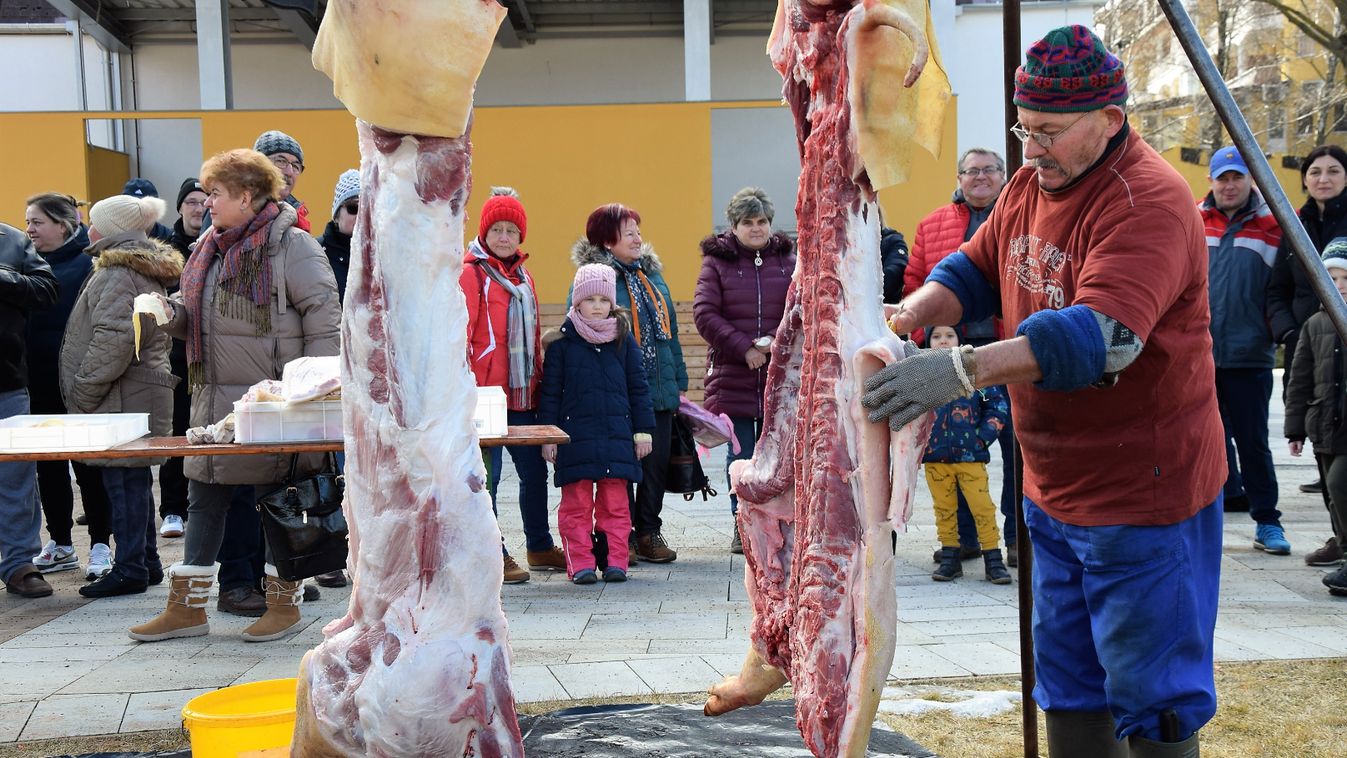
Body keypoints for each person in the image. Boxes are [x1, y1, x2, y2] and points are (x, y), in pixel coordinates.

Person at [865, 26, 1223, 755]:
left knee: (1153, 696)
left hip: (1141, 493)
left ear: (1109, 121)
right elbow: (973, 268)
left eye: (1049, 133)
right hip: (1053, 487)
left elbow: (1102, 339)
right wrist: (909, 315)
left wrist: (960, 371)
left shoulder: (1147, 200)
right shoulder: (1032, 182)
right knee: (1067, 680)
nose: (1031, 150)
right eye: (1023, 130)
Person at [128, 148, 340, 643]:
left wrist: (311, 393)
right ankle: (186, 609)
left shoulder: (295, 247)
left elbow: (326, 323)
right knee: (204, 495)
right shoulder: (211, 247)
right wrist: (167, 311)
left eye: (216, 193)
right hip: (215, 400)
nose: (206, 203)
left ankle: (283, 604)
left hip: (276, 402)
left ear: (246, 196)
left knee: (279, 500)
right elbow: (199, 316)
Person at [59, 194, 182, 597]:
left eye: (93, 222)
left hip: (122, 391)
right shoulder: (131, 267)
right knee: (132, 479)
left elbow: (114, 338)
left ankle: (131, 567)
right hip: (135, 390)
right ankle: (144, 562)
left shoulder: (117, 272)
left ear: (110, 230)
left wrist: (84, 388)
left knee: (123, 480)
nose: (87, 229)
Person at [901, 148, 1018, 567]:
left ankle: (1016, 538)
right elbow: (914, 283)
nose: (980, 177)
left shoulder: (1022, 217)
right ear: (959, 177)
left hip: (1009, 349)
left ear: (1004, 176)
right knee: (954, 449)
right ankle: (966, 540)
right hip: (949, 356)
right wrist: (920, 339)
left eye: (989, 170)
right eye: (972, 171)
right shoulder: (932, 224)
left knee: (1016, 445)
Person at [572, 203, 688, 564]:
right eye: (629, 232)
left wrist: (679, 378)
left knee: (655, 465)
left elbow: (670, 333)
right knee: (622, 468)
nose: (638, 238)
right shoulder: (596, 281)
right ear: (607, 240)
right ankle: (619, 539)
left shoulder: (652, 278)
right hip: (617, 392)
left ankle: (648, 531)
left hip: (658, 386)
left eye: (638, 230)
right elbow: (581, 330)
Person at [461, 187, 563, 584]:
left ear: (521, 237)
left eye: (511, 231)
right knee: (488, 477)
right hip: (484, 395)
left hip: (521, 393)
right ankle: (494, 551)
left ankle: (538, 546)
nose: (504, 238)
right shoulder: (470, 273)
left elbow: (533, 332)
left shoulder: (524, 277)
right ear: (485, 233)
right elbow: (464, 332)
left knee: (534, 472)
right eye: (497, 230)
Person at [693, 187, 795, 554]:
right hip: (732, 374)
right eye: (748, 222)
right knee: (742, 457)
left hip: (779, 376)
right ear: (734, 226)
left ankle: (777, 522)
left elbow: (799, 309)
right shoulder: (716, 262)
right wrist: (745, 348)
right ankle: (743, 525)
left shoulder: (788, 260)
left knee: (780, 454)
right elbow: (705, 314)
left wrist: (774, 344)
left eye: (762, 221)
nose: (756, 229)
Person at [539, 264, 655, 584]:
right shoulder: (562, 345)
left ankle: (616, 561)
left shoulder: (623, 341)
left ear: (612, 304)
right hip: (574, 440)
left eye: (604, 300)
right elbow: (549, 394)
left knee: (616, 506)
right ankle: (581, 563)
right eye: (590, 299)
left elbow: (638, 387)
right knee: (575, 506)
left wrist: (642, 432)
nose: (598, 306)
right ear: (577, 303)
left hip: (617, 438)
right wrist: (549, 436)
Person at [1200, 146, 1289, 556]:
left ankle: (1268, 521)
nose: (1230, 185)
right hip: (1199, 356)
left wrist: (1271, 333)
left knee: (1253, 443)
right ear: (1211, 181)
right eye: (1223, 178)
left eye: (1237, 177)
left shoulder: (1274, 227)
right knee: (1203, 442)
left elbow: (1283, 290)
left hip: (1250, 354)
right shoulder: (1192, 222)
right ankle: (1205, 521)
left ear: (1251, 180)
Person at [23, 192, 114, 579]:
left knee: (88, 465)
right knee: (48, 466)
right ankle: (60, 543)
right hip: (37, 380)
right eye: (26, 222)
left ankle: (99, 546)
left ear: (62, 225)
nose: (29, 230)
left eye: (37, 222)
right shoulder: (26, 265)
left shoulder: (87, 266)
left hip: (78, 383)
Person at [1268, 144, 1347, 495]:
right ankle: (1329, 485)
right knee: (1311, 410)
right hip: (1305, 339)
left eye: (1333, 171)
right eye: (1315, 172)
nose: (1323, 178)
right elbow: (1276, 289)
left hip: (1343, 342)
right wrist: (1288, 332)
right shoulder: (1294, 224)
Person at [921, 325, 1011, 584]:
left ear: (960, 339)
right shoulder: (924, 376)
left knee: (982, 507)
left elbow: (997, 405)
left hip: (970, 456)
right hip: (936, 457)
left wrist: (982, 437)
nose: (943, 341)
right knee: (944, 509)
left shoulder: (972, 374)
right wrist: (920, 443)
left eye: (949, 335)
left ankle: (993, 558)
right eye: (936, 337)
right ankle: (950, 555)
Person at [0, 220, 59, 599]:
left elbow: (47, 289)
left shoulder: (11, 240)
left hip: (5, 381)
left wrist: (4, 278)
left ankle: (20, 563)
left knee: (16, 479)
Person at [1285, 239, 1347, 596]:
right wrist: (1295, 428)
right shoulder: (1314, 324)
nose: (1338, 286)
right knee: (1330, 493)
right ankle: (1340, 543)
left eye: (1345, 278)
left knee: (1341, 485)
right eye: (1331, 278)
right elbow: (1299, 379)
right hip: (1324, 423)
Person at [159, 177, 207, 540]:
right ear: (179, 207)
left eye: (204, 199)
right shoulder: (165, 250)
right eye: (190, 200)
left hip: (211, 355)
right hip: (175, 357)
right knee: (176, 433)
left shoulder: (216, 244)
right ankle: (172, 509)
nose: (198, 206)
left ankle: (200, 503)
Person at [253, 130, 312, 233]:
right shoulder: (230, 209)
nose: (289, 172)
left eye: (295, 166)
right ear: (259, 165)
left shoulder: (298, 219)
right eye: (281, 161)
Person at [319, 169, 359, 302]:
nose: (361, 216)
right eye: (353, 208)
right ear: (336, 216)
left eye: (368, 207)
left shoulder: (381, 254)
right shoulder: (314, 251)